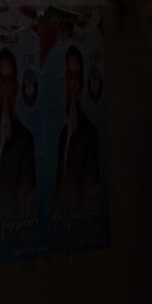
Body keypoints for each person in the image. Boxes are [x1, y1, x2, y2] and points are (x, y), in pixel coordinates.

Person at [0, 49, 38, 218]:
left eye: (9, 80)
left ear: (15, 85)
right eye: (1, 79)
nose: (5, 87)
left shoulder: (26, 140)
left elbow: (27, 201)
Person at [54, 46, 102, 204]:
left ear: (82, 81)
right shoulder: (63, 135)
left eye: (76, 76)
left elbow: (91, 191)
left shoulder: (90, 134)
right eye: (69, 76)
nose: (72, 83)